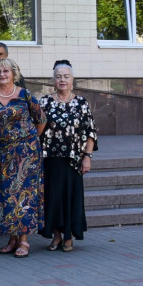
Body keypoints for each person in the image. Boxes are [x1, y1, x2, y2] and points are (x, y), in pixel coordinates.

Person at [0, 58, 45, 258]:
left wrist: (29, 139)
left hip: (26, 153)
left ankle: (24, 241)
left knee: (25, 194)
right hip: (2, 151)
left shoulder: (24, 95)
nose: (2, 74)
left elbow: (41, 120)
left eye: (6, 71)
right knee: (6, 196)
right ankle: (11, 238)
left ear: (14, 74)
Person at [39, 60, 97, 253]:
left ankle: (69, 236)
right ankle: (56, 235)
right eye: (58, 76)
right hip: (51, 159)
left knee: (71, 197)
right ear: (53, 80)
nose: (62, 80)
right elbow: (36, 129)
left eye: (66, 76)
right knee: (53, 197)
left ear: (72, 79)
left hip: (73, 159)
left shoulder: (81, 103)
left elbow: (90, 132)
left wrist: (87, 157)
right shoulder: (45, 102)